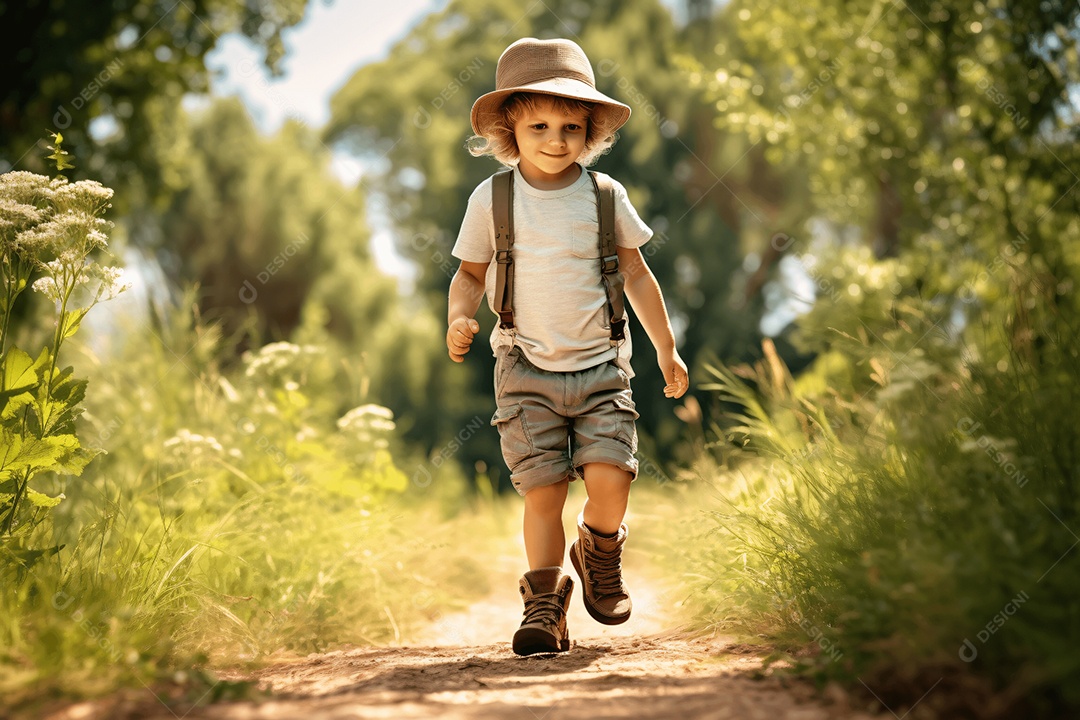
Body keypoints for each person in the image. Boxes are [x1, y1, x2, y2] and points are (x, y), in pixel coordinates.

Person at [447, 37, 689, 656]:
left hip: (602, 366)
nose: (557, 140)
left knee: (612, 479)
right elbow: (471, 273)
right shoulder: (492, 199)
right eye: (540, 126)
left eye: (571, 127)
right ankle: (544, 605)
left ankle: (598, 552)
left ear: (591, 132)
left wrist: (665, 348)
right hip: (523, 367)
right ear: (509, 128)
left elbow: (636, 273)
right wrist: (458, 317)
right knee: (544, 491)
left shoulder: (604, 195)